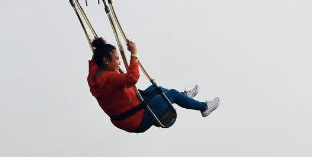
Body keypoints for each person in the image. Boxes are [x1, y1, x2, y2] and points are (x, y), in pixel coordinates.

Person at [87, 37, 219, 133]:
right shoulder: (109, 78)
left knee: (157, 89)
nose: (119, 63)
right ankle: (204, 107)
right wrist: (133, 54)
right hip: (136, 118)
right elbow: (132, 78)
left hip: (128, 113)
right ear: (105, 60)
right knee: (171, 94)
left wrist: (101, 45)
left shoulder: (95, 73)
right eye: (116, 59)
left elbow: (96, 57)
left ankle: (183, 97)